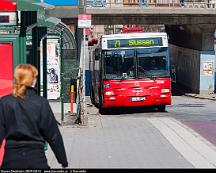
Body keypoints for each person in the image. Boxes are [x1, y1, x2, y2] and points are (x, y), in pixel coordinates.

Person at [0, 64, 68, 169]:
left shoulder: (5, 102)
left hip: (11, 159)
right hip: (36, 158)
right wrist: (63, 160)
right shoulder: (41, 103)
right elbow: (53, 135)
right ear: (31, 80)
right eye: (34, 77)